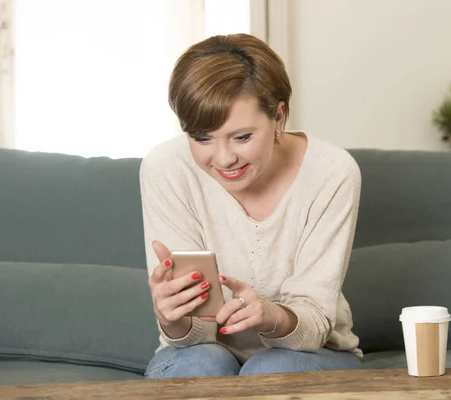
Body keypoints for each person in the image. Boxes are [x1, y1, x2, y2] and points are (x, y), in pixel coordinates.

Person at [139, 33, 363, 378]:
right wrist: (174, 317)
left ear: (278, 115)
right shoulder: (166, 168)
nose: (225, 159)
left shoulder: (332, 172)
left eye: (242, 137)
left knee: (270, 368)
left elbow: (315, 324)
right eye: (202, 138)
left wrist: (270, 315)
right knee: (200, 363)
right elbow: (194, 338)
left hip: (310, 351)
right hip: (201, 353)